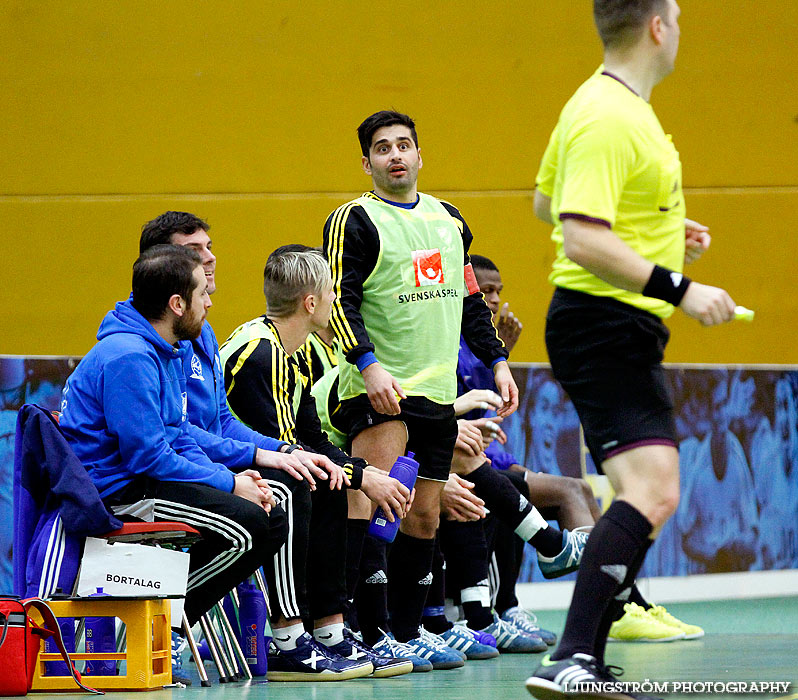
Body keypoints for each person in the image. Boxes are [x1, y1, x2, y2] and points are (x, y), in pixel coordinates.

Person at [525, 2, 736, 697]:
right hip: (602, 323)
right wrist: (681, 285)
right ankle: (572, 654)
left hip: (612, 323)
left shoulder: (608, 108)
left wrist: (656, 225)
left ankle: (579, 654)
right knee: (651, 490)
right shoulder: (608, 115)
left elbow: (545, 202)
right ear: (656, 27)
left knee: (652, 492)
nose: (680, 27)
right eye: (676, 15)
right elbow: (581, 236)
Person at [323, 109, 518, 666]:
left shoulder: (449, 220)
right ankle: (358, 633)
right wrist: (369, 366)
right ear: (367, 163)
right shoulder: (354, 220)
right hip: (379, 391)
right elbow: (340, 299)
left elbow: (469, 301)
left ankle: (406, 633)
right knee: (370, 509)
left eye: (404, 145)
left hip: (436, 397)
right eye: (383, 149)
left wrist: (497, 360)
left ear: (419, 154)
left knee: (424, 518)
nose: (396, 156)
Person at [138, 211, 342, 680]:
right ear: (162, 267)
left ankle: (330, 630)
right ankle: (287, 637)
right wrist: (236, 476)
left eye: (209, 247)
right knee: (281, 498)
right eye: (194, 252)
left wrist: (277, 453)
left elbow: (218, 424)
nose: (210, 259)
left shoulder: (198, 333)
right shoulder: (143, 349)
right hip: (148, 482)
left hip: (193, 467)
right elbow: (162, 446)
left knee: (304, 474)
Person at [59, 246, 288, 656]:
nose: (210, 302)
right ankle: (158, 632)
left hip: (146, 480)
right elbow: (147, 456)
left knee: (272, 518)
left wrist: (234, 479)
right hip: (118, 493)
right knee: (250, 527)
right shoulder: (129, 356)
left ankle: (163, 627)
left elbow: (179, 434)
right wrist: (230, 483)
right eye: (203, 294)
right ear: (177, 304)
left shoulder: (164, 349)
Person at [220, 245, 415, 680]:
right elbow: (279, 447)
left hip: (271, 458)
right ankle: (289, 639)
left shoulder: (298, 352)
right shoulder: (260, 354)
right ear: (310, 303)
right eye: (331, 293)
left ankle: (330, 631)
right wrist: (362, 476)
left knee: (329, 482)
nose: (335, 301)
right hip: (229, 465)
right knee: (301, 485)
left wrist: (364, 475)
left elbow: (310, 437)